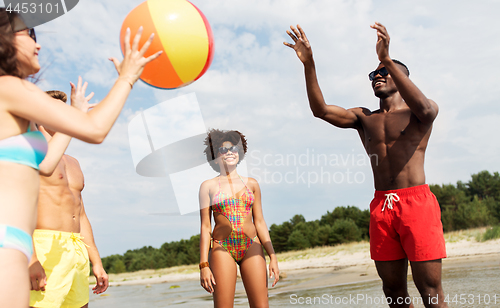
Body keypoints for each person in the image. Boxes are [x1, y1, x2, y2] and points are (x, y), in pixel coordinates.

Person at [0, 9, 161, 308]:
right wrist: (127, 77)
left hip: (19, 245)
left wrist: (76, 113)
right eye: (29, 34)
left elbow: (46, 165)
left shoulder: (13, 102)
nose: (38, 45)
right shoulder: (8, 88)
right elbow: (95, 130)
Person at [285, 23, 447, 308]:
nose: (376, 77)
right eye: (372, 75)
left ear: (402, 77)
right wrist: (309, 64)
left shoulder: (419, 112)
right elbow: (320, 110)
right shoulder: (364, 118)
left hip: (417, 203)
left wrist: (386, 59)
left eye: (382, 72)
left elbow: (425, 108)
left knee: (431, 291)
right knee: (393, 292)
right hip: (382, 208)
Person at [28, 90, 108, 308]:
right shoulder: (31, 152)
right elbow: (14, 207)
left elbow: (81, 214)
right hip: (44, 247)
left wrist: (96, 262)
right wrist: (31, 258)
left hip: (76, 249)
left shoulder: (73, 162)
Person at [199, 129, 279, 308]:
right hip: (222, 248)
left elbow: (259, 221)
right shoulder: (208, 187)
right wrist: (203, 264)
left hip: (252, 245)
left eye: (234, 148)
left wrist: (272, 255)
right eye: (223, 149)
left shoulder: (252, 184)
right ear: (215, 155)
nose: (229, 152)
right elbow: (205, 227)